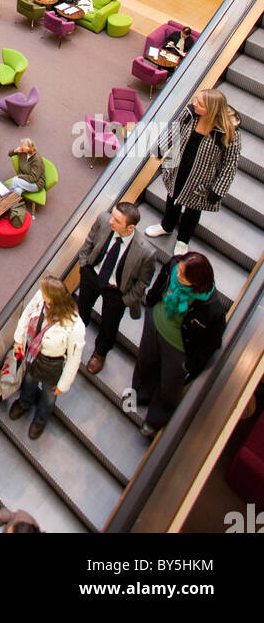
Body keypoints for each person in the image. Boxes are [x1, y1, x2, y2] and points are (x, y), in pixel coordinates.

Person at [132, 252, 226, 437]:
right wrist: (150, 306)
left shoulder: (212, 309)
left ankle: (155, 418)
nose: (178, 274)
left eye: (183, 275)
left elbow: (212, 343)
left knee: (170, 385)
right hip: (155, 325)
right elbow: (160, 282)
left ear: (197, 283)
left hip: (179, 348)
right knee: (146, 361)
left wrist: (190, 364)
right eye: (180, 269)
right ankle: (141, 393)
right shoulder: (174, 265)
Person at [145, 89, 240, 255]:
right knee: (172, 198)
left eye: (200, 104)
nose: (194, 104)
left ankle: (183, 239)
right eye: (196, 100)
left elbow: (230, 163)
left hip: (201, 179)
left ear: (211, 110)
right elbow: (174, 131)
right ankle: (166, 226)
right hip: (178, 168)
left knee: (193, 210)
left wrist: (218, 189)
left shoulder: (229, 133)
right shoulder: (190, 114)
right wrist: (160, 149)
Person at [75, 202, 157, 374]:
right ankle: (74, 339)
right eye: (112, 216)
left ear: (130, 227)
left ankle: (100, 352)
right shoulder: (104, 220)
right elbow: (89, 242)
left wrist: (126, 299)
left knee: (109, 325)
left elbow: (143, 282)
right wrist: (84, 265)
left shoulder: (146, 252)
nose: (111, 221)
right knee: (81, 308)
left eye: (117, 220)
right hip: (92, 275)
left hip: (116, 291)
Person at [10, 276, 85, 439]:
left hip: (52, 364)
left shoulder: (75, 324)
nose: (41, 294)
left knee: (49, 395)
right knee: (29, 381)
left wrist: (63, 385)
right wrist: (18, 340)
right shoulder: (40, 299)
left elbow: (73, 359)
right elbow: (26, 315)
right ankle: (25, 403)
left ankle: (40, 419)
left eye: (45, 293)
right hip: (33, 355)